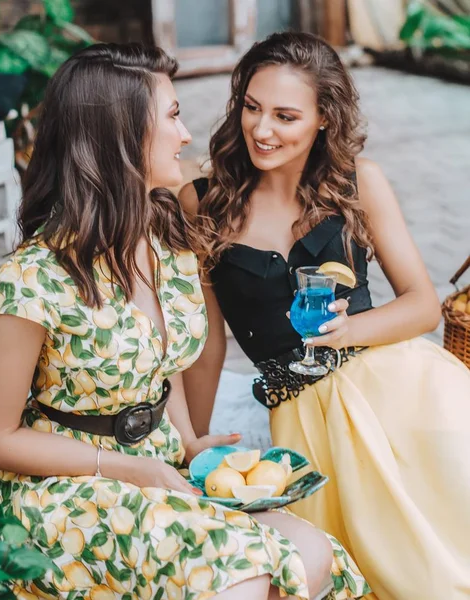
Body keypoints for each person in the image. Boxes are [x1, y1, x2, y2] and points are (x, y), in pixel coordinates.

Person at [0, 42, 368, 600]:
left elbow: (159, 369)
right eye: (171, 115)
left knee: (313, 556)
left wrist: (189, 442)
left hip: (155, 464)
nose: (188, 133)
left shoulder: (169, 240)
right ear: (121, 135)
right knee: (244, 582)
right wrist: (121, 467)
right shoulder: (31, 278)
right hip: (64, 487)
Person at [180, 32, 470, 600]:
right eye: (252, 108)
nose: (262, 130)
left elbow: (419, 303)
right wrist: (189, 441)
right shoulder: (203, 199)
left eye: (286, 116)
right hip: (305, 412)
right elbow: (207, 340)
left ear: (323, 119)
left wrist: (351, 329)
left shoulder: (359, 183)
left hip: (400, 382)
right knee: (379, 566)